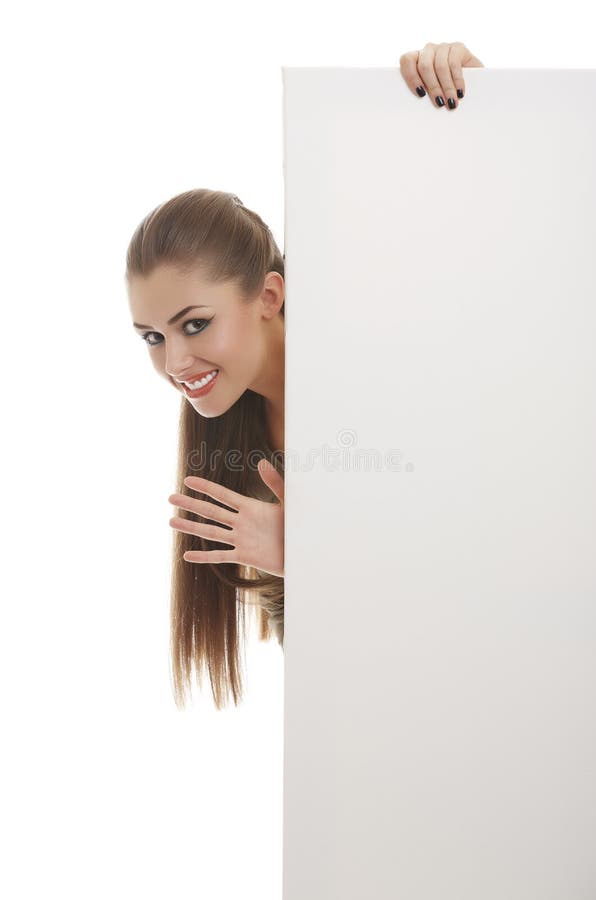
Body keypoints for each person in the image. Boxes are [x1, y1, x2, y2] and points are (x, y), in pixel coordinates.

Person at [125, 41, 485, 711]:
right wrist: (305, 560)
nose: (174, 365)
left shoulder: (375, 346)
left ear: (268, 297)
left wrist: (475, 102)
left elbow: (482, 559)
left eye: (194, 324)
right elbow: (351, 674)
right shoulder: (239, 445)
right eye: (153, 337)